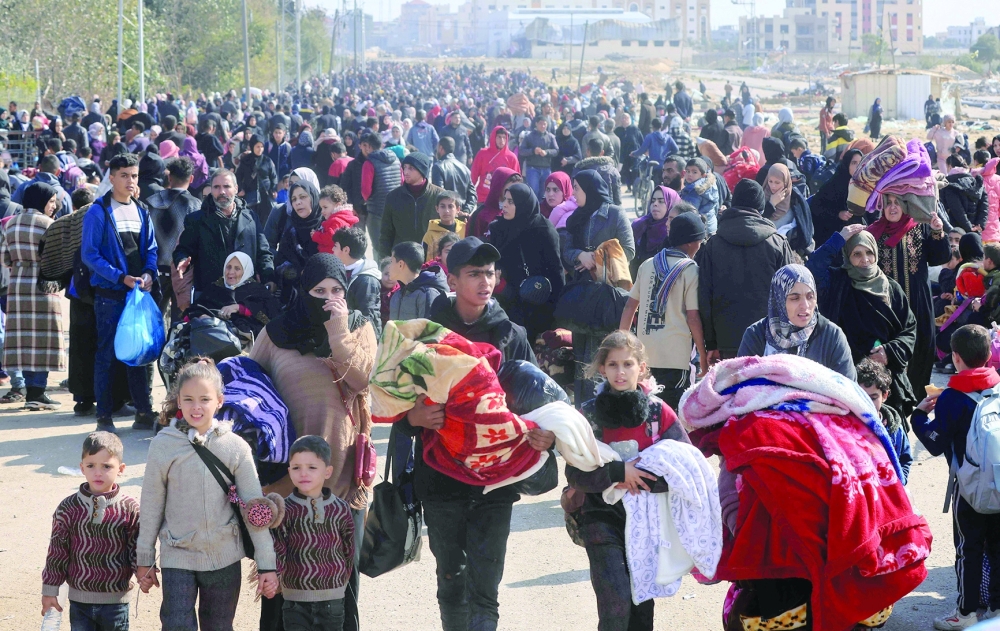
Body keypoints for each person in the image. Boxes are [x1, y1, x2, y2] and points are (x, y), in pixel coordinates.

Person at [393, 237, 545, 631]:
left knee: (485, 588)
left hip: (496, 482)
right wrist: (414, 417)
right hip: (440, 478)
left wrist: (543, 434)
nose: (485, 281)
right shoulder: (425, 335)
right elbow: (394, 402)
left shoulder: (512, 335)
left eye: (490, 273)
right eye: (474, 273)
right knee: (451, 581)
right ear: (452, 280)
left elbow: (538, 403)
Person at [248, 253, 378, 631]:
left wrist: (338, 331)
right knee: (282, 581)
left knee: (342, 581)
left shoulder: (358, 326)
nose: (328, 299)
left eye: (337, 291)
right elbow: (247, 385)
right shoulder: (276, 333)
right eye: (319, 291)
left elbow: (361, 380)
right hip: (287, 481)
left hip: (343, 480)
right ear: (304, 291)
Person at [135, 358, 280, 629]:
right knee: (176, 625)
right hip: (177, 554)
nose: (196, 407)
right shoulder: (163, 445)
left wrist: (267, 565)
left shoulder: (235, 447)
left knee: (219, 626)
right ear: (178, 401)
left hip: (224, 557)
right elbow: (151, 504)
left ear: (219, 401)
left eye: (204, 399)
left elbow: (255, 511)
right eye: (188, 399)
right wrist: (144, 559)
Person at [565, 330, 693, 631]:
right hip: (599, 516)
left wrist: (642, 478)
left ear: (641, 368)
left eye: (627, 364)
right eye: (613, 365)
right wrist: (618, 473)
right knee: (615, 605)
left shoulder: (659, 414)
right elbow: (574, 474)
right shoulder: (588, 415)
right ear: (602, 369)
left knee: (641, 607)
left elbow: (685, 468)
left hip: (647, 522)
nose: (620, 372)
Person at [910, 324, 1000, 630]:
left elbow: (935, 443)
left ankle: (965, 613)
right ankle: (996, 608)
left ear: (956, 357)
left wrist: (918, 416)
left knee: (968, 550)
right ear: (988, 356)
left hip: (969, 488)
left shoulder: (952, 396)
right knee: (997, 547)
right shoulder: (997, 388)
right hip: (999, 482)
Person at [81, 153, 159, 432]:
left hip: (137, 295)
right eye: (124, 175)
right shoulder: (98, 211)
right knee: (107, 357)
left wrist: (149, 273)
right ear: (112, 178)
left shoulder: (141, 210)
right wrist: (119, 277)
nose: (130, 181)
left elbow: (151, 249)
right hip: (110, 295)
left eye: (134, 175)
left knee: (138, 353)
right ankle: (104, 416)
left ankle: (143, 412)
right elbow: (90, 254)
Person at [806, 225, 918, 413]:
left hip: (884, 381)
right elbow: (812, 269)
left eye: (869, 253)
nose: (865, 260)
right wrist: (839, 239)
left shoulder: (891, 288)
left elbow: (909, 329)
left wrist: (888, 352)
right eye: (857, 254)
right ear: (847, 256)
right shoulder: (837, 282)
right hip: (845, 375)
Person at [41, 432, 140, 631]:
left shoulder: (130, 508)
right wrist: (50, 590)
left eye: (106, 466)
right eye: (91, 465)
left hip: (116, 603)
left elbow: (136, 548)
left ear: (121, 469)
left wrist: (144, 572)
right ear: (82, 468)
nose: (98, 473)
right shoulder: (68, 508)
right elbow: (57, 552)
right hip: (80, 603)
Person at [866, 193, 951, 412]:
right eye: (888, 203)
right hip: (887, 310)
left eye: (898, 203)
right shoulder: (874, 233)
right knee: (889, 356)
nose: (893, 208)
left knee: (920, 353)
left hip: (918, 306)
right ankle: (892, 407)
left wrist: (937, 231)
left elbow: (940, 257)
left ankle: (915, 406)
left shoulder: (919, 227)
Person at [698, 179, 794, 362]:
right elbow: (790, 294)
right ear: (760, 206)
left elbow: (704, 296)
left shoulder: (713, 244)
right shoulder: (777, 243)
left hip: (727, 341)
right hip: (769, 341)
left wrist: (711, 343)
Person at [620, 212, 707, 411]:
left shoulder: (648, 265)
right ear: (690, 243)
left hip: (645, 354)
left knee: (647, 409)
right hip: (676, 357)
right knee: (673, 412)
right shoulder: (690, 270)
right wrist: (702, 354)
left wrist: (623, 344)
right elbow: (693, 317)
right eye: (700, 241)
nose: (701, 245)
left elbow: (630, 306)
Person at [563, 170, 636, 404]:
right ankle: (583, 408)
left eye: (577, 188)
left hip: (608, 295)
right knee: (581, 352)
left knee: (602, 352)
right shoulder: (576, 217)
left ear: (590, 189)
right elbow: (566, 250)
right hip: (582, 293)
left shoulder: (614, 213)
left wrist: (597, 258)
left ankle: (602, 406)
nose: (574, 193)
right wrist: (579, 255)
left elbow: (629, 250)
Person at [273, 435, 355, 631]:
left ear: (327, 472)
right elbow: (278, 549)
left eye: (312, 467)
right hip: (295, 600)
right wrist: (275, 579)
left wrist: (340, 582)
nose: (303, 473)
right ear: (289, 471)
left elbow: (349, 549)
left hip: (333, 599)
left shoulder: (341, 508)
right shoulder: (285, 509)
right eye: (296, 468)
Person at [1, 181, 64, 411]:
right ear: (41, 201)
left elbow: (5, 259)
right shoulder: (50, 225)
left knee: (25, 340)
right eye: (51, 201)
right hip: (44, 287)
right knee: (44, 340)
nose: (53, 206)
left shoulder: (10, 224)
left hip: (18, 288)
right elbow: (58, 259)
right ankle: (38, 392)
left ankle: (30, 391)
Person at [738, 264, 855, 379]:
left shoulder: (832, 336)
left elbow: (847, 387)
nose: (805, 305)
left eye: (810, 297)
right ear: (779, 300)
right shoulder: (756, 334)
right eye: (795, 298)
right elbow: (742, 384)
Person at [173, 169, 274, 296]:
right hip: (210, 294)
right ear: (211, 190)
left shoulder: (251, 217)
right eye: (216, 187)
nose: (221, 192)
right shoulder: (196, 220)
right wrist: (182, 260)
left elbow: (263, 252)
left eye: (226, 186)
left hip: (246, 295)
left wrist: (268, 277)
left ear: (236, 189)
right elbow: (183, 249)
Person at [488, 183, 564, 340]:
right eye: (505, 200)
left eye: (511, 201)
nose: (505, 205)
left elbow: (556, 272)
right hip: (506, 298)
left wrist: (557, 312)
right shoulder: (499, 228)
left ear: (523, 204)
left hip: (537, 302)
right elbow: (494, 257)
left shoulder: (543, 229)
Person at [146, 157, 201, 320]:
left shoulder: (152, 202)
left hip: (155, 269)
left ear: (169, 177)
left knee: (153, 319)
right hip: (183, 271)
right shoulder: (195, 205)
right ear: (191, 179)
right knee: (181, 320)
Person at [193, 251, 280, 337]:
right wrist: (202, 316)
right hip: (210, 336)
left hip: (244, 340)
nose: (231, 272)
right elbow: (195, 309)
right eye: (228, 267)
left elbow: (268, 319)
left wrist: (240, 308)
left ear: (245, 270)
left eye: (237, 268)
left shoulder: (257, 290)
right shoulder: (215, 288)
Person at [856, 358, 912, 485]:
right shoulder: (847, 427)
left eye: (873, 398)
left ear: (885, 395)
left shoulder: (895, 429)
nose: (867, 403)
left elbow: (905, 459)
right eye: (862, 397)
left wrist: (899, 484)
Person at [380, 153, 444, 258]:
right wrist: (385, 260)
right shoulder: (393, 196)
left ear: (422, 170)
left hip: (430, 257)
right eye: (404, 167)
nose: (406, 172)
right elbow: (385, 233)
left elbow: (448, 227)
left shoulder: (439, 195)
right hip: (402, 257)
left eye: (411, 168)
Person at [331, 226, 383, 335]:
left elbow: (366, 316)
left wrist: (343, 312)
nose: (332, 249)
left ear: (346, 250)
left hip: (363, 336)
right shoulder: (342, 270)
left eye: (335, 246)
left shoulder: (367, 280)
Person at [810, 148, 864, 247]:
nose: (858, 166)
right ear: (846, 165)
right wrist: (838, 214)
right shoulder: (833, 185)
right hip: (833, 237)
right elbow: (816, 207)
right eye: (854, 163)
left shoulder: (866, 186)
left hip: (859, 238)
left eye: (860, 163)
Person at [359, 133, 402, 256]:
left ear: (369, 147)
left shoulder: (369, 163)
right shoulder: (396, 159)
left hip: (377, 211)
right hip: (396, 208)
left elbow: (365, 191)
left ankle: (380, 268)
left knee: (378, 247)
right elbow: (402, 182)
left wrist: (366, 201)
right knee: (394, 244)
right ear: (382, 144)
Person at [387, 241, 450, 320]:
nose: (389, 266)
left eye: (391, 261)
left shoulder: (427, 294)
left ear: (401, 264)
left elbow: (429, 327)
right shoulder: (397, 295)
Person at [762, 163, 814, 257]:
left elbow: (806, 231)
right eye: (770, 181)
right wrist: (771, 205)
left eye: (777, 182)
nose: (773, 186)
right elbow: (757, 221)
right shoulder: (760, 198)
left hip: (788, 255)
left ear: (785, 182)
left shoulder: (796, 200)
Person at [630, 185, 681, 275]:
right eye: (653, 201)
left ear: (671, 204)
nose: (655, 204)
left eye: (661, 201)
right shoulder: (641, 226)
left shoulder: (677, 231)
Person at [235, 134, 278, 226]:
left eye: (262, 147)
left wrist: (274, 189)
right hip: (249, 194)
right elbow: (238, 176)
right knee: (250, 219)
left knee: (265, 220)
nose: (260, 149)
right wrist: (240, 189)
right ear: (252, 146)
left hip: (265, 195)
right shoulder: (245, 160)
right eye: (257, 146)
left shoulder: (267, 160)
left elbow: (273, 177)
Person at [468, 167, 523, 239]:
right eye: (510, 189)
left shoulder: (518, 212)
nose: (514, 193)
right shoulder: (481, 216)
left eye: (517, 189)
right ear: (498, 187)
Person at [941, 154, 989, 233]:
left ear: (949, 166)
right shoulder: (976, 181)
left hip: (956, 231)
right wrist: (980, 225)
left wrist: (969, 227)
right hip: (976, 229)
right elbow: (984, 205)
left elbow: (956, 209)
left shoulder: (949, 184)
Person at [470, 126, 519, 204]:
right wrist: (469, 193)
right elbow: (473, 175)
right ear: (493, 137)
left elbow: (516, 180)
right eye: (499, 137)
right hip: (483, 198)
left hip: (502, 200)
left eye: (504, 137)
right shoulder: (482, 154)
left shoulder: (512, 157)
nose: (501, 140)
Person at [432, 137, 477, 217]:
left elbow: (439, 194)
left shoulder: (438, 167)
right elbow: (472, 195)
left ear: (441, 148)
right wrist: (465, 211)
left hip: (446, 217)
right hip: (461, 217)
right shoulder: (465, 168)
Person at [517, 115, 558, 199]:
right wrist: (533, 151)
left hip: (546, 168)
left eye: (544, 124)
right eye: (540, 124)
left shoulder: (551, 137)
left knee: (544, 193)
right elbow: (521, 151)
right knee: (533, 191)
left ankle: (541, 207)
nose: (543, 126)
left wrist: (546, 152)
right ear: (536, 124)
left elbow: (556, 151)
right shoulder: (529, 136)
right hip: (532, 168)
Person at [574, 138, 623, 206]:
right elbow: (618, 200)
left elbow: (575, 196)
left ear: (587, 151)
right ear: (602, 152)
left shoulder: (579, 171)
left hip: (587, 211)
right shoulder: (613, 171)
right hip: (609, 210)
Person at [679, 158, 720, 236]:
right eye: (687, 171)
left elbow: (689, 212)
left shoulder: (695, 190)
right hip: (711, 225)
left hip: (699, 228)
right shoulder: (711, 186)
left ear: (703, 175)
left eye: (694, 172)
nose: (690, 174)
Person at [422, 191, 466, 263]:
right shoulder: (430, 235)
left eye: (450, 206)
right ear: (437, 209)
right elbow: (426, 262)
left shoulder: (465, 229)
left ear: (458, 209)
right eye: (442, 206)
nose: (446, 211)